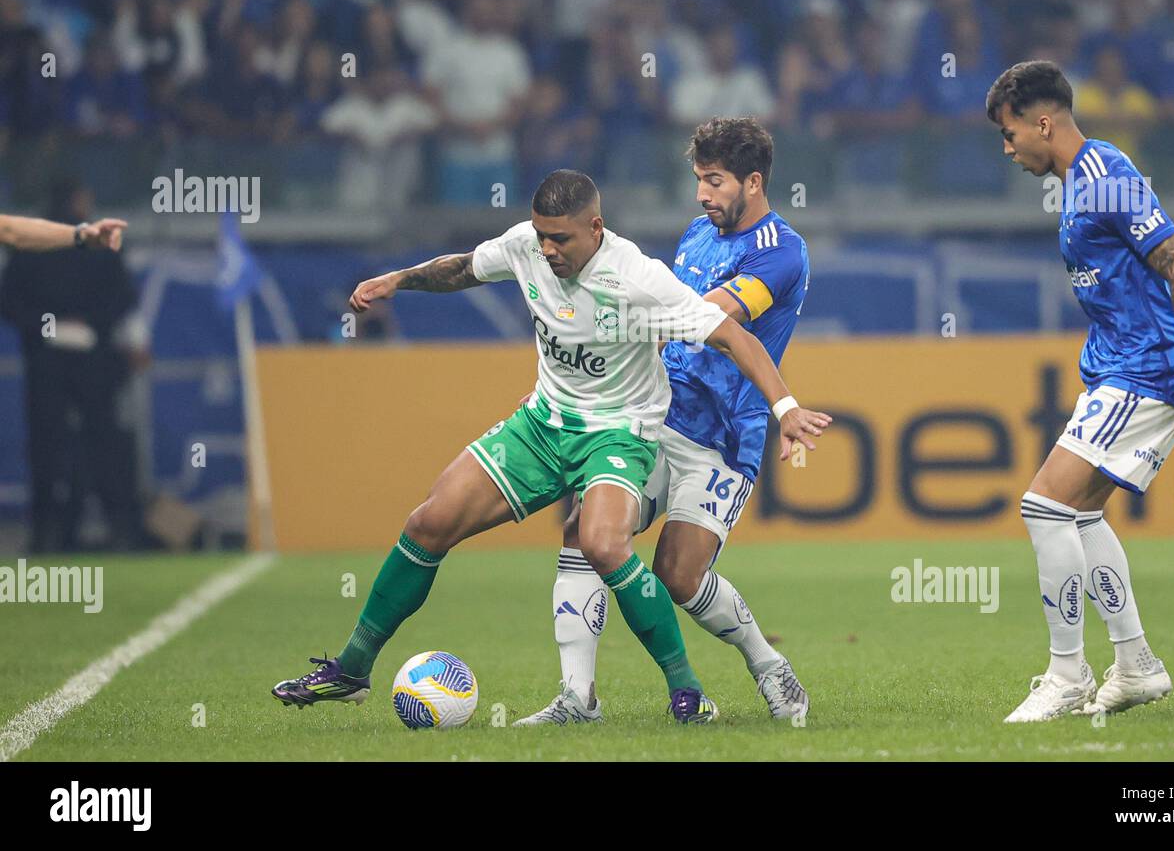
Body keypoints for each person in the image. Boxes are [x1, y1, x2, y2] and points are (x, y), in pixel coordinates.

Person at [271, 169, 832, 724]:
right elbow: (463, 269)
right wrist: (400, 278)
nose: (548, 248)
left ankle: (688, 690)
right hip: (543, 422)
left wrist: (785, 409)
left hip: (620, 430)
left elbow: (734, 335)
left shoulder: (638, 278)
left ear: (596, 227)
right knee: (429, 522)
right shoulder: (526, 247)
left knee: (604, 543)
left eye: (560, 238)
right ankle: (354, 669)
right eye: (542, 235)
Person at [517, 117, 812, 725]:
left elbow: (712, 317)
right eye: (698, 179)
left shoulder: (783, 253)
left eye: (715, 181)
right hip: (659, 419)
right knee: (586, 536)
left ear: (753, 182)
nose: (702, 194)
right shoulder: (697, 235)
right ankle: (578, 698)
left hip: (724, 436)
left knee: (679, 575)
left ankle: (767, 663)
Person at [986, 60, 1174, 722]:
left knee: (1041, 506)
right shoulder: (1084, 177)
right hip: (1120, 370)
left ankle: (1066, 675)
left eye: (1010, 135)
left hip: (1146, 371)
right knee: (1079, 516)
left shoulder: (1108, 180)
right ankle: (1138, 666)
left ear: (1043, 122)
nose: (1008, 150)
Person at [0, 179, 144, 553]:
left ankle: (111, 526)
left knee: (97, 440)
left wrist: (81, 236)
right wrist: (60, 327)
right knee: (61, 443)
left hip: (81, 356)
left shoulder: (92, 250)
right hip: (60, 356)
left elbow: (12, 231)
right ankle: (81, 527)